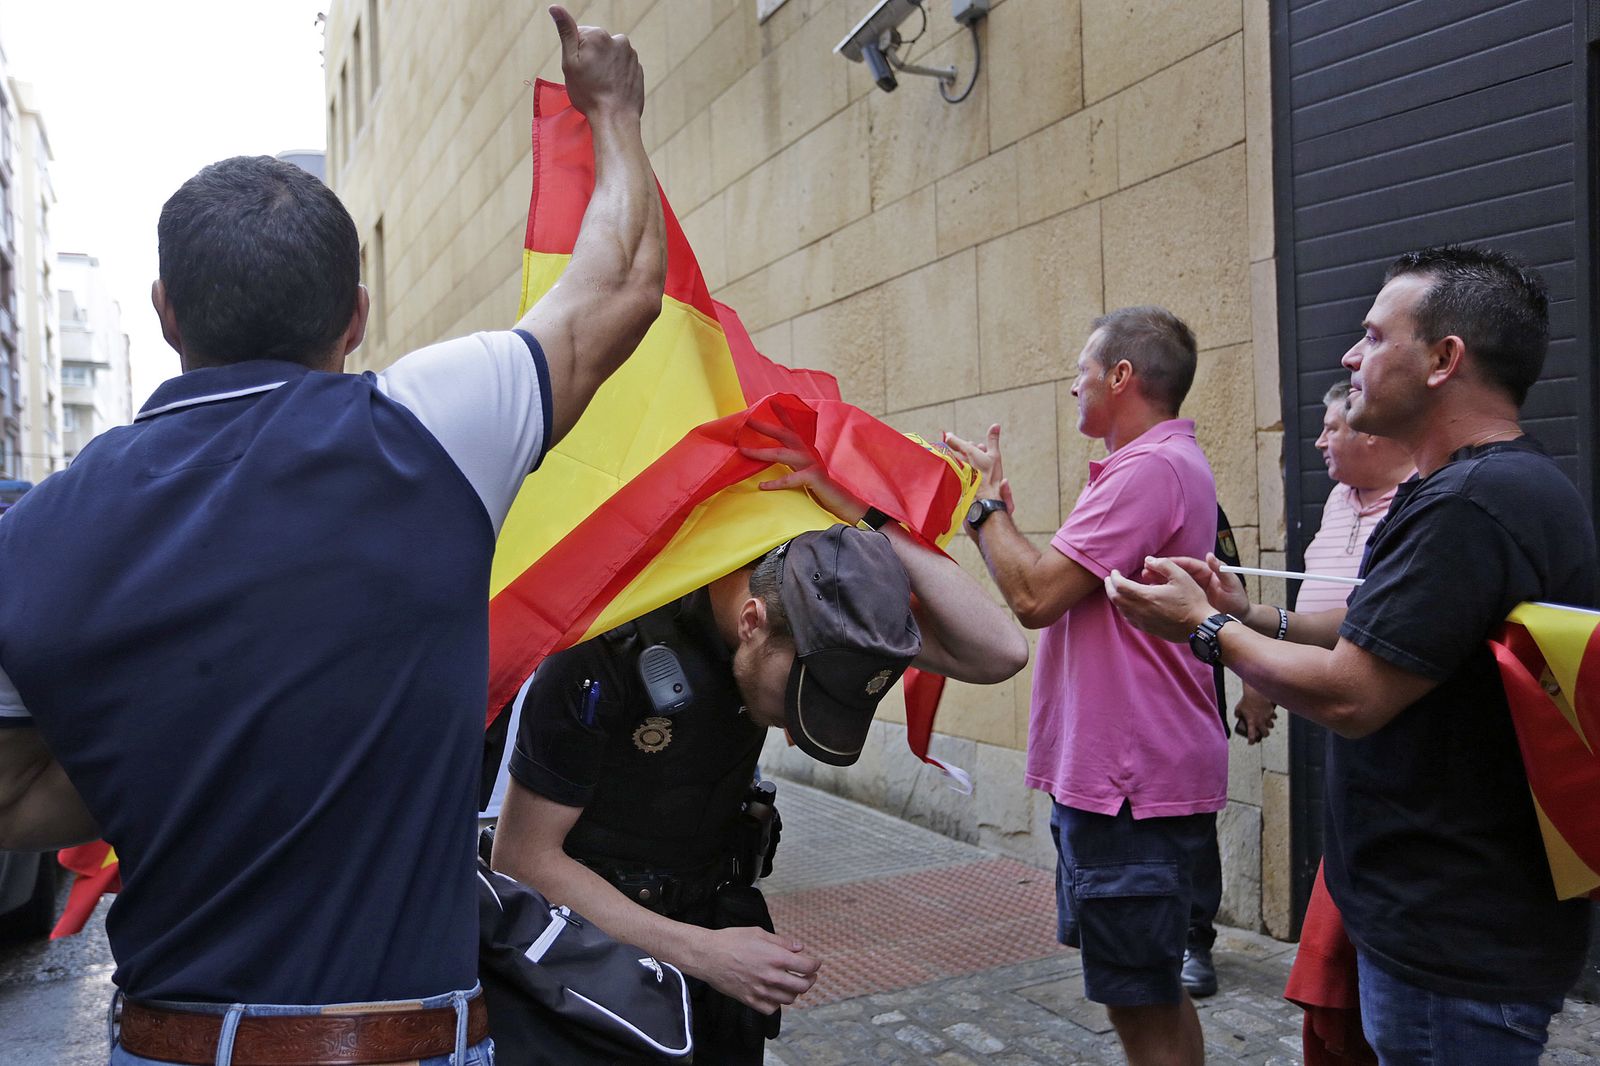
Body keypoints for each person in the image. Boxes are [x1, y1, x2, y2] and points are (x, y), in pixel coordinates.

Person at [0, 10, 663, 1065]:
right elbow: (622, 282)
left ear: (166, 313)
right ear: (355, 315)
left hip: (169, 1041)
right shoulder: (434, 429)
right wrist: (613, 110)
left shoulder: (33, 532)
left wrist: (188, 751)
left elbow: (13, 797)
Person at [1108, 245, 1594, 1066]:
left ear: (1443, 359)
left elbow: (1350, 695)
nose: (1348, 356)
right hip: (1444, 922)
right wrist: (1251, 613)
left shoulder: (1473, 505)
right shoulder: (1474, 489)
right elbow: (1377, 628)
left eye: (1372, 336)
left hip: (1454, 942)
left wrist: (1203, 627)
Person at [490, 437, 1029, 1065]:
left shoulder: (826, 619)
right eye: (798, 698)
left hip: (715, 933)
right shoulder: (609, 644)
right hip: (599, 964)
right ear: (751, 621)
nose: (800, 727)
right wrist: (702, 953)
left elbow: (1001, 652)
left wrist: (869, 518)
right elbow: (523, 858)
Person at [945, 305, 1223, 1066]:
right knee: (1150, 991)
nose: (1074, 387)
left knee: (1141, 1001)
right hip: (1127, 780)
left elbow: (1035, 596)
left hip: (1130, 784)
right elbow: (1050, 582)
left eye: (1082, 372)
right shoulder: (1155, 465)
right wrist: (995, 516)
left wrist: (981, 507)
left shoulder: (1148, 470)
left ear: (1121, 376)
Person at [1228, 380, 1414, 744]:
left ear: (1369, 432)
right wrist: (1261, 677)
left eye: (1331, 429)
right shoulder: (1337, 497)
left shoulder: (1420, 497)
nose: (1319, 442)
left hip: (1385, 706)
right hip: (1323, 691)